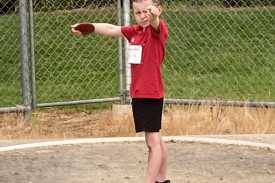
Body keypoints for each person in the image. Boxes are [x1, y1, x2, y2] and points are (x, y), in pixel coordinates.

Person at [71, 0, 170, 182]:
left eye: (147, 11)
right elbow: (111, 28)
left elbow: (155, 22)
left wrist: (154, 15)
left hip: (150, 93)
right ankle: (162, 179)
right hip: (140, 93)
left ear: (157, 10)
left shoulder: (158, 28)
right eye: (138, 12)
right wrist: (91, 26)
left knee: (152, 142)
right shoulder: (135, 31)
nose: (143, 16)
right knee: (156, 138)